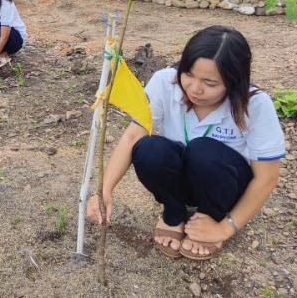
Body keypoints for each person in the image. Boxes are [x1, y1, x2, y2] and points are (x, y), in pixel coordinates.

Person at [86, 26, 285, 261]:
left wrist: (226, 227)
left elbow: (267, 178)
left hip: (224, 182)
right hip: (182, 178)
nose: (195, 88)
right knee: (149, 149)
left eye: (210, 83)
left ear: (234, 81)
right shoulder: (165, 83)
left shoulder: (255, 104)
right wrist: (105, 190)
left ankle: (212, 216)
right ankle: (174, 212)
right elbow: (132, 136)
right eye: (189, 74)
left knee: (203, 150)